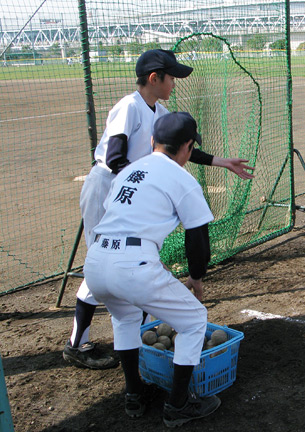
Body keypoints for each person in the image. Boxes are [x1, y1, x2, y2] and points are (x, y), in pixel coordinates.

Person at [63, 49, 254, 370]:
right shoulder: (130, 106)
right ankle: (76, 344)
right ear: (154, 78)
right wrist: (148, 183)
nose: (175, 84)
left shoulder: (158, 111)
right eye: (172, 78)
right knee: (107, 259)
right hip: (108, 188)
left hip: (129, 190)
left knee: (121, 263)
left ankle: (132, 338)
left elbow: (182, 149)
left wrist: (223, 162)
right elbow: (114, 157)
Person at [84, 112, 225, 426]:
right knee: (193, 320)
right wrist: (196, 279)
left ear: (152, 142)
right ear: (187, 147)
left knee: (125, 318)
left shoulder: (129, 171)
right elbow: (198, 238)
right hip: (132, 266)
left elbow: (120, 219)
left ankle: (135, 394)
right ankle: (178, 405)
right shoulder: (183, 179)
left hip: (96, 260)